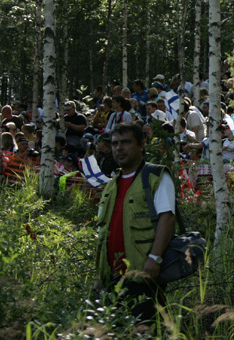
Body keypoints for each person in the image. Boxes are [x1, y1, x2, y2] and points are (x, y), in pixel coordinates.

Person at [95, 123, 175, 324]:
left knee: (146, 330)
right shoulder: (111, 186)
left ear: (141, 145)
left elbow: (167, 218)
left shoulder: (156, 176)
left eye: (125, 142)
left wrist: (155, 258)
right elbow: (102, 231)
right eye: (114, 144)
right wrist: (99, 274)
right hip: (111, 278)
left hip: (143, 275)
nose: (118, 148)